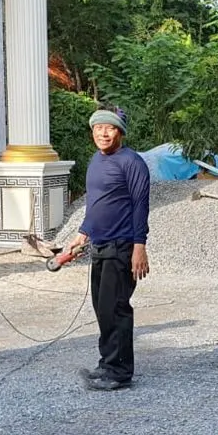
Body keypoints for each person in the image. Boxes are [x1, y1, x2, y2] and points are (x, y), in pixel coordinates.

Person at [63, 106, 150, 391]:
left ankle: (120, 372)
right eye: (98, 127)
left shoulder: (132, 162)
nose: (103, 133)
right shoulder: (96, 160)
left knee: (116, 308)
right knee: (102, 308)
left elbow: (140, 205)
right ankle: (107, 363)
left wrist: (139, 247)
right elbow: (96, 203)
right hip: (100, 245)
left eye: (110, 128)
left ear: (120, 132)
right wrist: (82, 233)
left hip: (122, 246)